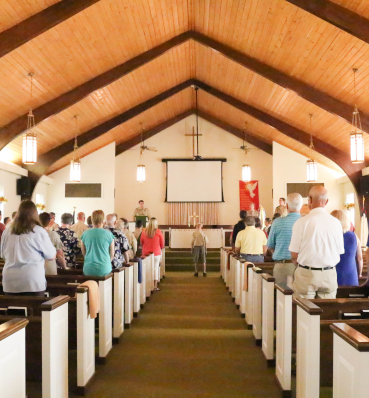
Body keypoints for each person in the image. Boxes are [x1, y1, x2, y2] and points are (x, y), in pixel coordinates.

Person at [289, 186, 344, 299]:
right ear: (327, 201)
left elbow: (294, 254)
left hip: (307, 273)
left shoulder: (301, 222)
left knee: (304, 312)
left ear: (309, 199)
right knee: (327, 312)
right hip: (329, 274)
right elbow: (339, 251)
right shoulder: (336, 223)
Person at [0, 200, 56, 295]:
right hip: (31, 279)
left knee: (13, 309)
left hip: (10, 279)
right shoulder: (38, 231)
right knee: (34, 309)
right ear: (35, 214)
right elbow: (51, 256)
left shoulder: (7, 231)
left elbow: (2, 254)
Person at [265, 193, 302, 285]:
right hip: (303, 266)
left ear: (287, 205)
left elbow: (270, 245)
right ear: (301, 206)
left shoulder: (277, 222)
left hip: (282, 265)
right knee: (300, 298)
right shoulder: (307, 221)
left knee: (282, 296)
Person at [331, 210, 362, 286]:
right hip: (351, 274)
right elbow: (359, 258)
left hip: (333, 275)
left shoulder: (330, 236)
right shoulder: (354, 236)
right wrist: (360, 274)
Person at [81, 210, 115, 277]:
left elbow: (84, 252)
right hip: (104, 268)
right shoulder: (109, 234)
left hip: (89, 268)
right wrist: (106, 262)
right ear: (103, 220)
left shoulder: (85, 234)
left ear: (92, 220)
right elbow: (112, 254)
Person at [140, 218, 164, 291]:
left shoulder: (144, 232)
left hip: (145, 253)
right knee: (155, 269)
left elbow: (141, 243)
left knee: (146, 270)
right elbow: (162, 244)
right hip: (156, 253)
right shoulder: (158, 232)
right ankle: (154, 286)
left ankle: (146, 287)